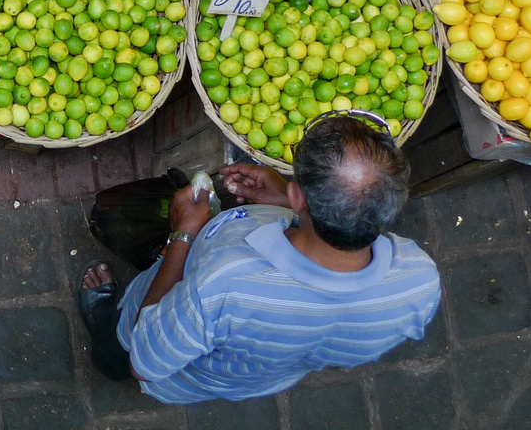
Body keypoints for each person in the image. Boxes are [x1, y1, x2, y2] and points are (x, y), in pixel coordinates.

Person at [76, 111, 441, 403]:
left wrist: (183, 234)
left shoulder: (228, 281)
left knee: (120, 349)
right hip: (254, 375)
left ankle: (105, 331)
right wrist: (286, 202)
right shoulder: (420, 280)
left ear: (301, 196)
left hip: (179, 364)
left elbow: (146, 361)